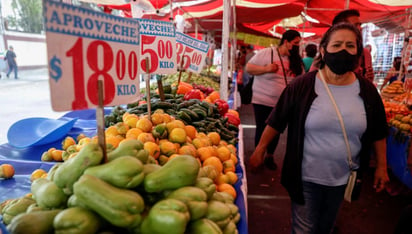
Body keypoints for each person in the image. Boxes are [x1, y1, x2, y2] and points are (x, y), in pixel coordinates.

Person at [249, 23, 389, 234]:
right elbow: (277, 120)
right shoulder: (302, 85)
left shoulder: (368, 91)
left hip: (343, 178)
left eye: (350, 46)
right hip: (305, 176)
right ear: (323, 50)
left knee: (325, 227)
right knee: (304, 229)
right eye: (337, 44)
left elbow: (378, 131)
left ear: (358, 52)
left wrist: (382, 166)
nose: (343, 50)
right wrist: (260, 149)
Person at [246, 29, 304, 171]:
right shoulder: (267, 53)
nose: (297, 46)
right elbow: (249, 68)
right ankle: (257, 156)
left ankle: (269, 156)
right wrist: (266, 69)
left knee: (276, 129)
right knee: (261, 127)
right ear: (286, 42)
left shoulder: (296, 59)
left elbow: (301, 78)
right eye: (295, 43)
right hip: (262, 99)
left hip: (282, 103)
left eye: (299, 43)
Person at [311, 9, 375, 83]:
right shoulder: (326, 54)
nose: (360, 28)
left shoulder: (365, 54)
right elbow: (310, 81)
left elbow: (368, 81)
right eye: (355, 25)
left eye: (360, 25)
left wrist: (367, 81)